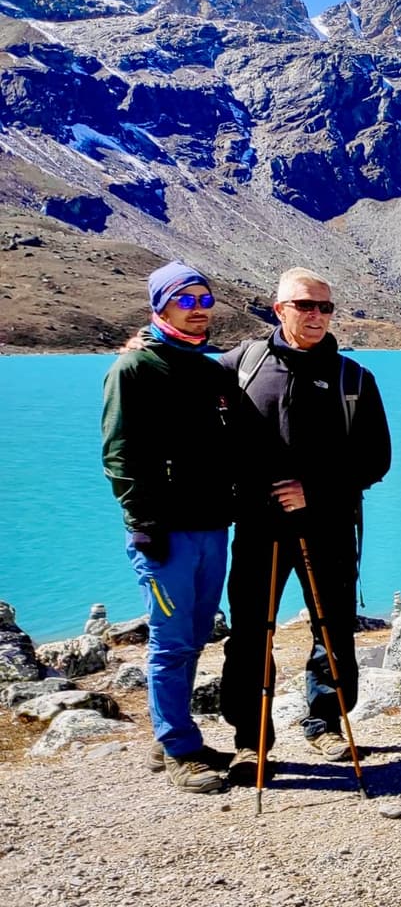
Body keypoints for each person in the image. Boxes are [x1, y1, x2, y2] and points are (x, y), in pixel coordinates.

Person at [218, 268, 392, 784]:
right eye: (304, 306)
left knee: (333, 627)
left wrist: (312, 490)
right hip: (258, 524)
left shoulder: (353, 380)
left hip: (331, 523)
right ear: (279, 309)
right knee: (251, 632)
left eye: (325, 307)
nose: (316, 316)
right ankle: (251, 739)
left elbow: (375, 460)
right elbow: (188, 405)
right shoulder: (237, 367)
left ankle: (326, 720)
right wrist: (140, 350)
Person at [102, 261, 256, 793]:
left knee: (193, 635)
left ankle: (172, 733)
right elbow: (119, 453)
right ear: (160, 306)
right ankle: (178, 750)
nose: (198, 312)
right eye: (185, 301)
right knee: (169, 641)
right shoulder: (135, 369)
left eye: (204, 301)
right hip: (164, 532)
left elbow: (240, 439)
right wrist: (142, 521)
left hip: (213, 526)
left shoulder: (212, 371)